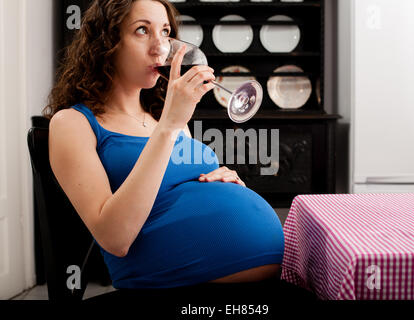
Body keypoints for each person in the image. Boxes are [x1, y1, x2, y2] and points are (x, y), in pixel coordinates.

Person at [44, 0, 284, 290]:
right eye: (142, 30)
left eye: (165, 31)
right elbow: (114, 239)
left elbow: (175, 188)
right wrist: (169, 127)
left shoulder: (164, 116)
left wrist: (221, 181)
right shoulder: (72, 123)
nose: (160, 48)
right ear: (107, 42)